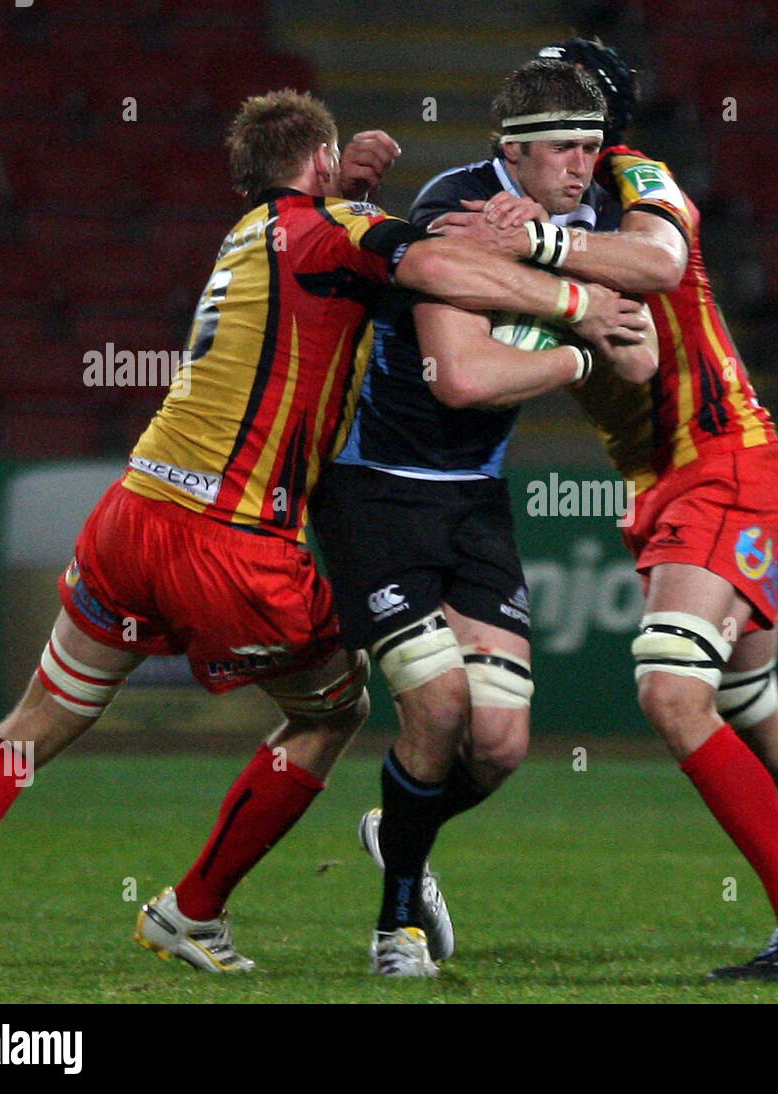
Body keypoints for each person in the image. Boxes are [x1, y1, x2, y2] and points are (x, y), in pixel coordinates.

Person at [0, 89, 643, 974]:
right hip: (229, 536)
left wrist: (346, 185)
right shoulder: (327, 231)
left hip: (132, 511)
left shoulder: (248, 234)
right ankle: (192, 911)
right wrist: (576, 306)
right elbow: (430, 268)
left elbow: (314, 234)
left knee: (30, 725)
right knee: (334, 707)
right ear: (316, 167)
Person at [395, 38, 778, 980]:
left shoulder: (637, 178)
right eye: (554, 137)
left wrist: (535, 244)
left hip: (719, 463)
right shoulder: (550, 199)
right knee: (754, 708)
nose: (576, 154)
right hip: (678, 478)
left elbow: (664, 263)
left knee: (669, 690)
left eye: (581, 129)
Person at [313, 60, 655, 977]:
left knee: (499, 744)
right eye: (562, 149)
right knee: (439, 704)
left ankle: (401, 832)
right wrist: (581, 343)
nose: (583, 166)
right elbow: (461, 381)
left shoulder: (580, 225)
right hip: (376, 488)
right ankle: (396, 930)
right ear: (512, 149)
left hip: (473, 500)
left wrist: (561, 266)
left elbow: (644, 359)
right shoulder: (454, 210)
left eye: (591, 146)